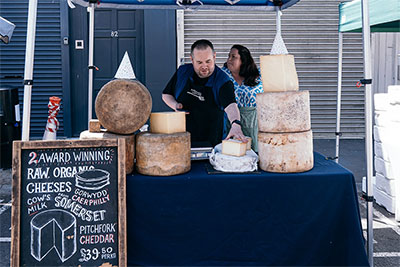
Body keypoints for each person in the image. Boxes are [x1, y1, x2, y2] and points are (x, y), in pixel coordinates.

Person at [162, 39, 246, 147]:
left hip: (211, 144)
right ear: (191, 59)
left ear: (214, 57)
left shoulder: (222, 80)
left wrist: (236, 123)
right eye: (199, 62)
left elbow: (231, 106)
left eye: (208, 61)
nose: (204, 66)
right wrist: (175, 105)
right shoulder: (182, 72)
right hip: (180, 141)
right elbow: (166, 94)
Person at [222, 44, 263, 152]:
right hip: (230, 120)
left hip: (253, 122)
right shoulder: (223, 75)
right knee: (232, 151)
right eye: (228, 56)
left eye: (233, 57)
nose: (229, 60)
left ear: (243, 60)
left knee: (253, 151)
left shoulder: (258, 75)